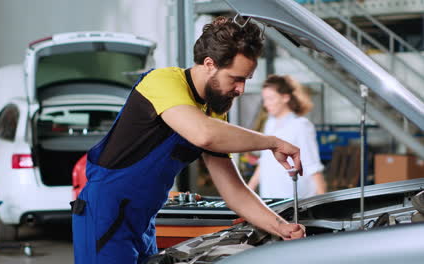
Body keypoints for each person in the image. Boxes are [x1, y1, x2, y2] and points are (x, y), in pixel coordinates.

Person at [72, 16, 305, 264]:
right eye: (236, 78)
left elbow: (234, 190)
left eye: (245, 80)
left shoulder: (213, 110)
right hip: (105, 213)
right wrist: (273, 142)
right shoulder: (163, 82)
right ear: (209, 64)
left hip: (143, 219)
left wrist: (280, 227)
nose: (241, 89)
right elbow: (203, 134)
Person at [248, 75, 326, 198]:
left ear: (285, 97)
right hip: (270, 196)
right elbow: (265, 160)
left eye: (271, 99)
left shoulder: (301, 125)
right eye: (265, 99)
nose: (266, 104)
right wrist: (249, 189)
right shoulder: (270, 123)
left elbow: (312, 165)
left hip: (295, 197)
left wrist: (323, 202)